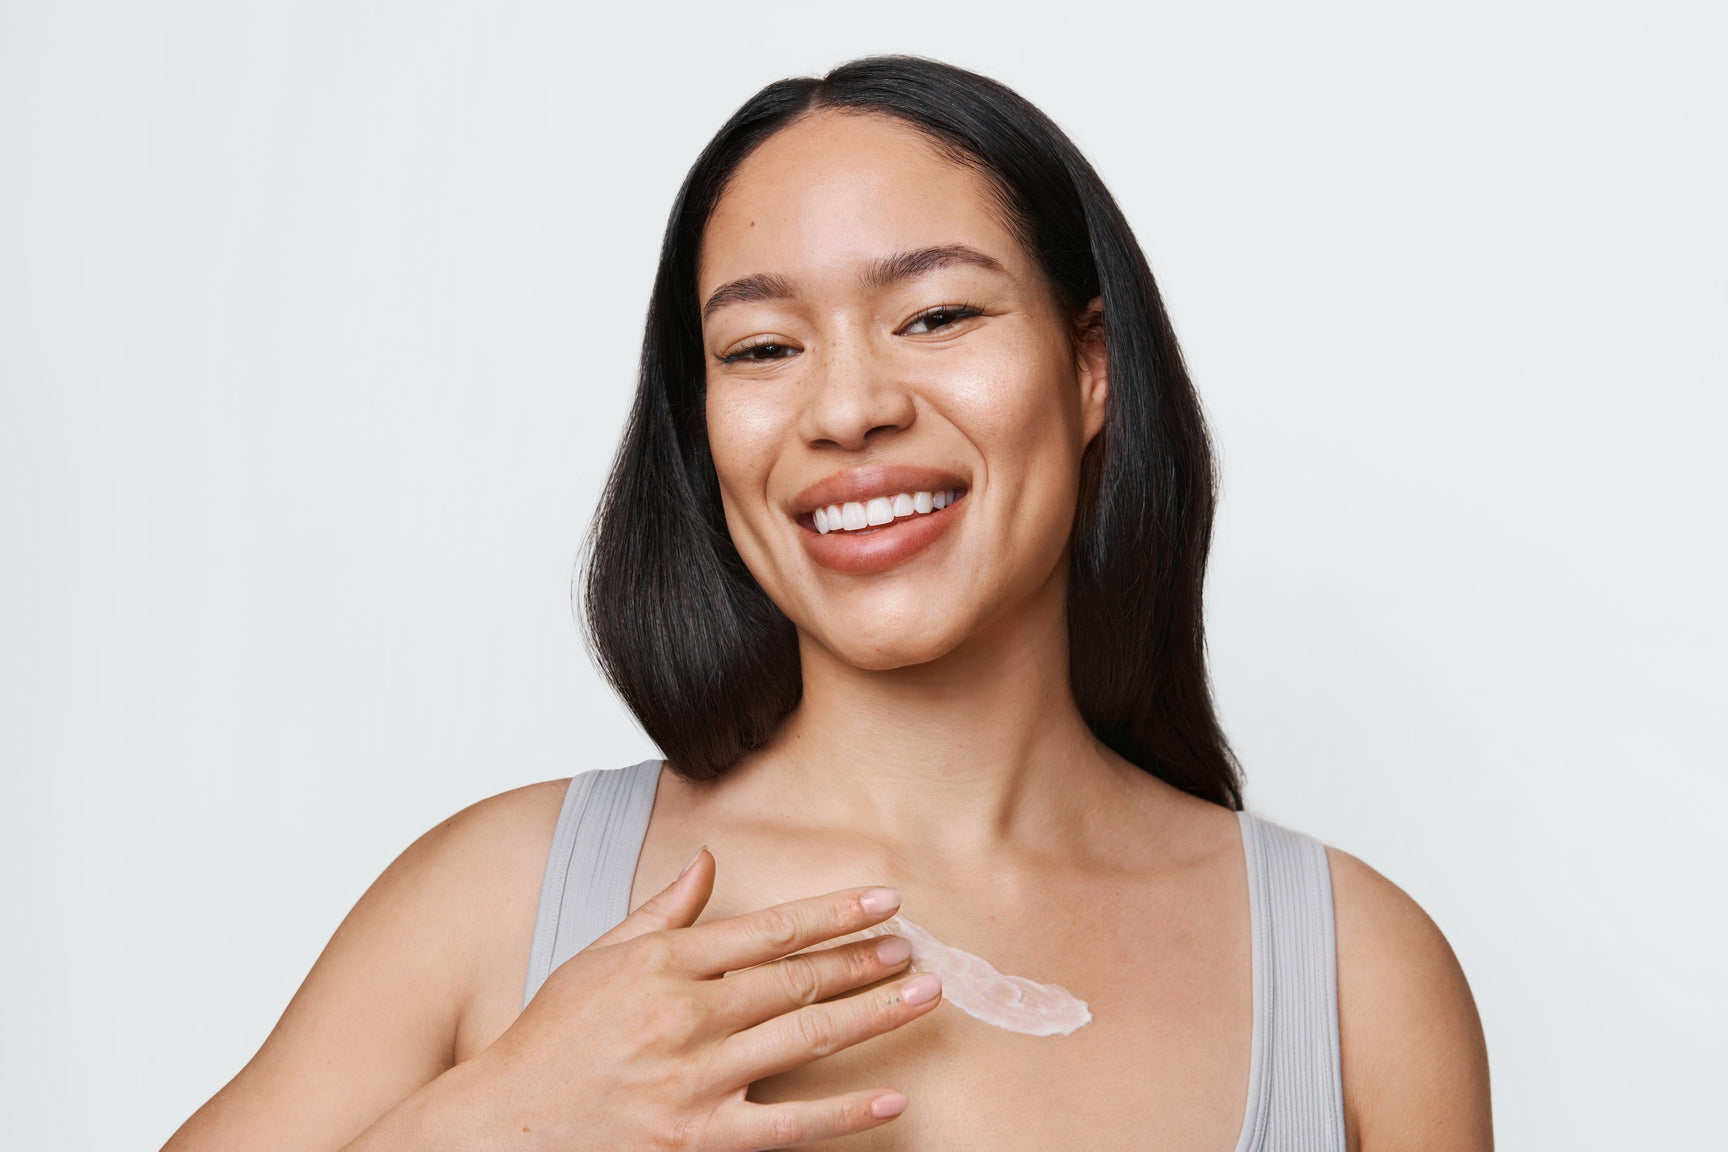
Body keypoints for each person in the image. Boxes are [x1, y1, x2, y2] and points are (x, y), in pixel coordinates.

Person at [163, 55, 1492, 1151]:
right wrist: (497, 1124)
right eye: (760, 348)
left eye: (935, 316)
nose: (848, 407)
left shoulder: (1356, 978)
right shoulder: (494, 904)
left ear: (1090, 368)